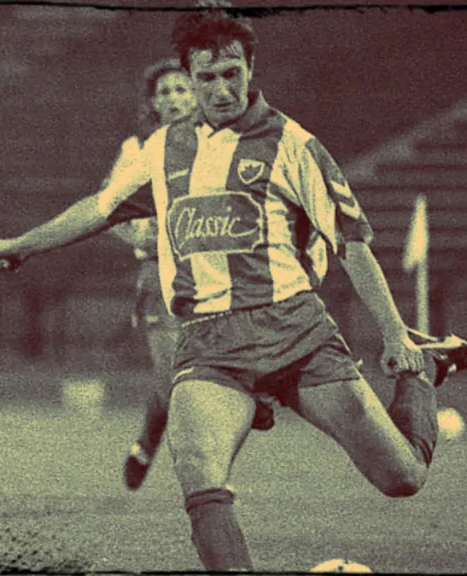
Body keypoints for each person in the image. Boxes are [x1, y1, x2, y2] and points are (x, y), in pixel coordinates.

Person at [0, 10, 467, 572]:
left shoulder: (292, 144)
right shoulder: (164, 148)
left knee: (401, 477)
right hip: (209, 344)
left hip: (295, 333)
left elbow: (353, 244)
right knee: (199, 474)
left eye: (231, 74)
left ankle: (420, 374)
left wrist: (393, 335)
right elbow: (100, 209)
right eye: (207, 77)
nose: (221, 90)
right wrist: (23, 244)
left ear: (251, 68)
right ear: (190, 80)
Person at [104, 58, 275, 492]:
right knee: (173, 380)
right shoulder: (138, 149)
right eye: (164, 92)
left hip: (216, 276)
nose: (174, 98)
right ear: (152, 104)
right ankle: (154, 448)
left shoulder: (220, 142)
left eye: (181, 89)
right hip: (160, 278)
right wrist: (143, 233)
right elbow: (108, 209)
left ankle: (205, 472)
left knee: (210, 377)